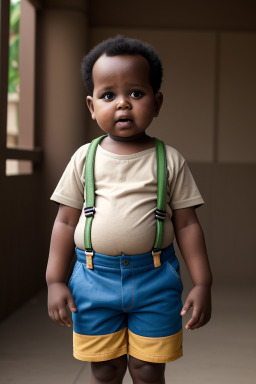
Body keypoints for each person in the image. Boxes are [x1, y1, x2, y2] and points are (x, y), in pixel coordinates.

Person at [46, 36, 212, 384]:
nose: (123, 104)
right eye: (109, 96)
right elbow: (64, 221)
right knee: (105, 369)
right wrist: (54, 280)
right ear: (91, 107)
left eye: (136, 93)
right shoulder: (83, 158)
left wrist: (202, 282)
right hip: (93, 279)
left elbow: (186, 225)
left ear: (157, 102)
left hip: (155, 278)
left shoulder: (169, 160)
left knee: (147, 369)